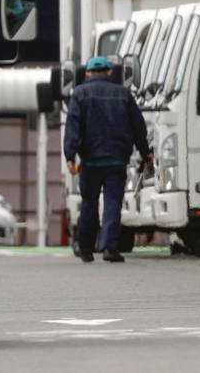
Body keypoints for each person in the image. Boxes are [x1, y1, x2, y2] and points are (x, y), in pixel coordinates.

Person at [64, 56, 149, 263]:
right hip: (116, 160)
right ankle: (110, 248)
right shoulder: (123, 94)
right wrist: (146, 153)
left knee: (89, 203)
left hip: (90, 161)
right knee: (112, 203)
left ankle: (85, 248)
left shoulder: (80, 94)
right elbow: (139, 127)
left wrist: (70, 155)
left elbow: (73, 127)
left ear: (88, 73)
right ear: (110, 72)